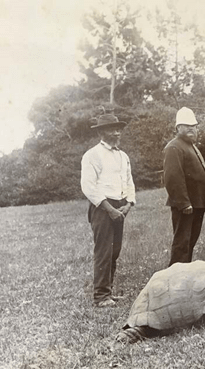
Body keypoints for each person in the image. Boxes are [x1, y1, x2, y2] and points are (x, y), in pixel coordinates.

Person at [81, 114, 136, 307]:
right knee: (103, 251)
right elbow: (88, 186)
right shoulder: (92, 155)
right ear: (101, 132)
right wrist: (109, 209)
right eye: (113, 128)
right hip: (102, 208)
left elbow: (129, 181)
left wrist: (128, 204)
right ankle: (101, 296)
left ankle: (108, 291)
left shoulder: (123, 155)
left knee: (115, 251)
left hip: (120, 206)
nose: (118, 132)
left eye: (119, 128)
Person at [163, 107, 205, 266]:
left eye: (194, 125)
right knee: (182, 244)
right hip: (186, 206)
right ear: (178, 128)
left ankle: (185, 275)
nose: (191, 128)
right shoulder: (174, 147)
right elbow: (172, 178)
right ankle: (174, 278)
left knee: (190, 242)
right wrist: (184, 203)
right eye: (186, 125)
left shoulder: (190, 146)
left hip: (197, 203)